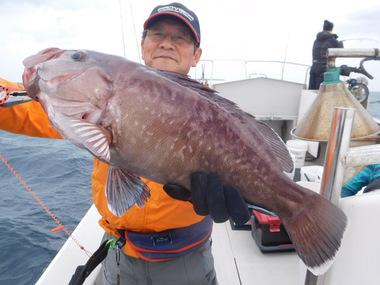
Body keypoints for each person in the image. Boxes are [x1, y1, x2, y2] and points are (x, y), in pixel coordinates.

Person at [0, 3, 250, 285]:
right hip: (116, 254)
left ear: (197, 55)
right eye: (157, 34)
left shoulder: (215, 115)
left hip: (184, 262)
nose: (167, 43)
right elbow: (22, 111)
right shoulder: (93, 101)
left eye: (180, 37)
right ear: (143, 46)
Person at [308, 20, 344, 90]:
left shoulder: (317, 39)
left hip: (314, 66)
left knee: (311, 91)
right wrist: (340, 42)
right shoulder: (332, 39)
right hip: (323, 67)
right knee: (319, 92)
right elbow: (340, 50)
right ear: (331, 29)